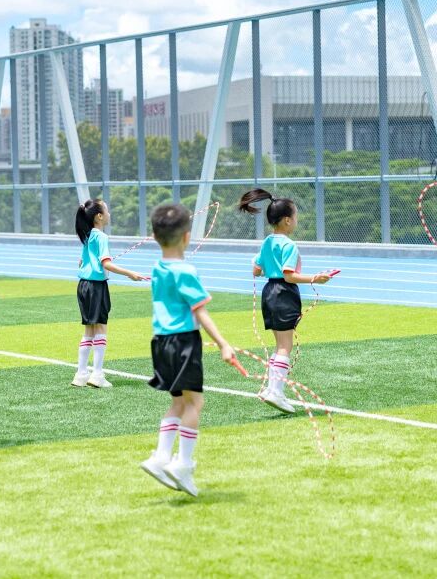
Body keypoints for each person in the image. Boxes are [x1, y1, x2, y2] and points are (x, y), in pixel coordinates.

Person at [140, 203, 237, 498]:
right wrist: (223, 344)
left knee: (178, 403)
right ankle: (182, 464)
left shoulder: (157, 268)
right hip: (183, 342)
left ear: (155, 237)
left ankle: (161, 457)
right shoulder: (186, 271)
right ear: (186, 237)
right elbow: (201, 312)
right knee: (195, 404)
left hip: (161, 342)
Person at [238, 188, 332, 414]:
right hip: (284, 293)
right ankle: (276, 392)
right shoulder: (289, 245)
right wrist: (315, 278)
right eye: (296, 216)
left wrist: (265, 264)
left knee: (279, 345)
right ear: (288, 220)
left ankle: (272, 389)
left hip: (269, 292)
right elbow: (289, 275)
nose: (296, 221)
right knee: (285, 346)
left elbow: (256, 270)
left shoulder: (267, 242)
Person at [73, 198, 147, 389]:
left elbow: (81, 262)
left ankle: (81, 374)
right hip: (96, 287)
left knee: (89, 330)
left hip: (83, 286)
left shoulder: (88, 236)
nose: (109, 214)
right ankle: (97, 375)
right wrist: (130, 273)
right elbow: (106, 264)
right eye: (106, 210)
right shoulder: (101, 237)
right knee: (101, 329)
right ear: (99, 216)